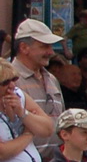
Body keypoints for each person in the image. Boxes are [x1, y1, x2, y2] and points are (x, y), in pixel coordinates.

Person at [12, 19, 65, 153]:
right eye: (44, 46)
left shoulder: (51, 79)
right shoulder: (9, 81)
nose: (51, 52)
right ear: (24, 48)